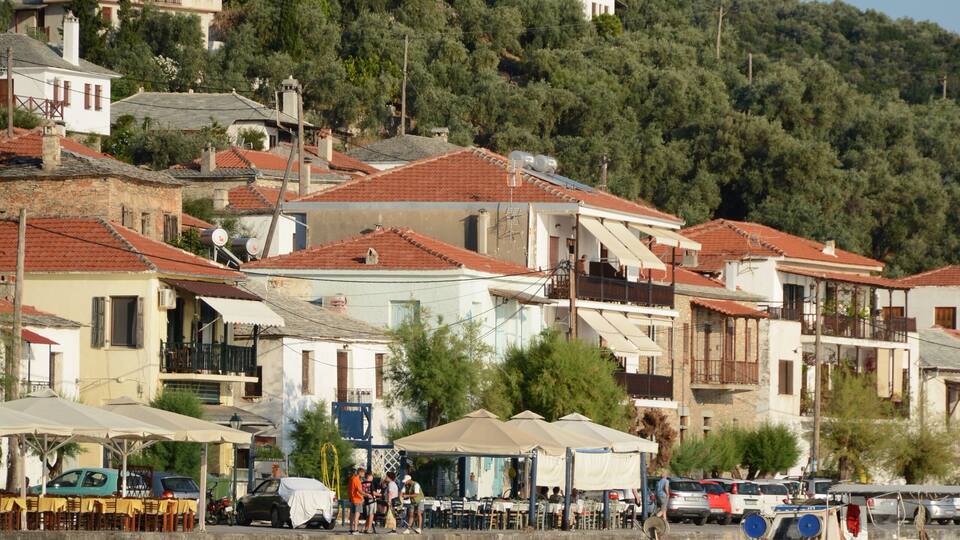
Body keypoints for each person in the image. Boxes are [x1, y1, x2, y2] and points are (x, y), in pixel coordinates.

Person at [349, 467, 365, 534]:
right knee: (357, 515)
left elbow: (350, 489)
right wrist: (366, 494)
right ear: (360, 472)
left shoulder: (352, 479)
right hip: (357, 499)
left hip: (352, 499)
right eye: (363, 473)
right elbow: (359, 490)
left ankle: (351, 529)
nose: (364, 474)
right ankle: (355, 529)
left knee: (352, 515)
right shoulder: (357, 479)